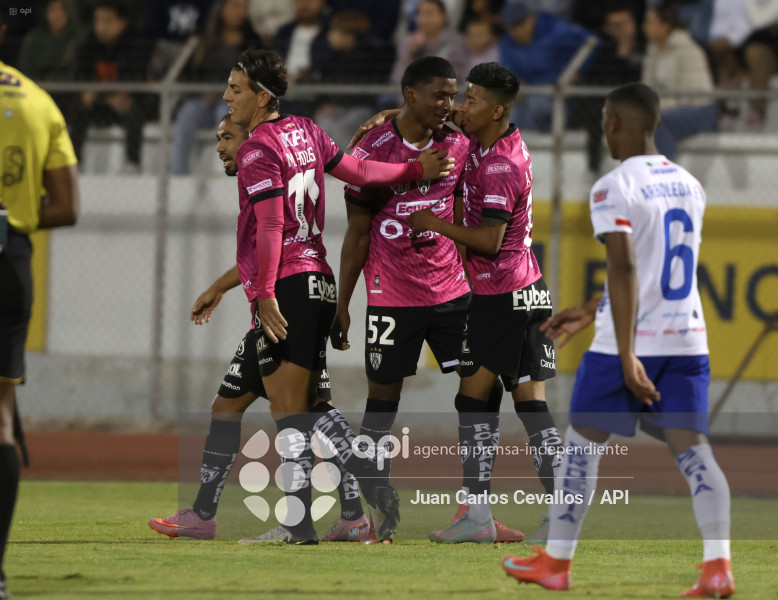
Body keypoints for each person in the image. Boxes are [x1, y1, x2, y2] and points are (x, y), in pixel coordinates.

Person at [501, 82, 734, 599]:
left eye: (605, 118)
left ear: (616, 123)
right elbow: (654, 269)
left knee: (581, 446)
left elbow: (626, 266)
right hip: (688, 338)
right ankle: (718, 566)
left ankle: (556, 564)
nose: (602, 127)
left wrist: (627, 353)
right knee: (695, 453)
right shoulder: (688, 184)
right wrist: (590, 307)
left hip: (627, 344)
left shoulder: (613, 186)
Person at [220, 48, 453, 544]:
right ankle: (314, 516)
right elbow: (364, 173)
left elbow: (270, 225)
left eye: (236, 89)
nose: (226, 96)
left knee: (289, 414)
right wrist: (414, 170)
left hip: (286, 283)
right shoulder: (306, 130)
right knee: (301, 409)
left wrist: (263, 294)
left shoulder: (258, 149)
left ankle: (319, 513)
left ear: (262, 98)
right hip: (319, 280)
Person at [148, 116, 369, 543]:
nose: (220, 146)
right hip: (299, 293)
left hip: (290, 298)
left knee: (303, 410)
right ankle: (204, 514)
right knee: (227, 407)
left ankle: (320, 518)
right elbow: (256, 256)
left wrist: (264, 295)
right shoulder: (271, 178)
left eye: (226, 137)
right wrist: (219, 288)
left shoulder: (265, 174)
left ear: (251, 142)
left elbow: (273, 243)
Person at [332, 56, 526, 545]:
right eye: (439, 95)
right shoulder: (371, 149)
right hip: (391, 296)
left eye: (454, 95)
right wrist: (343, 302)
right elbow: (357, 232)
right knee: (382, 405)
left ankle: (475, 511)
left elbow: (492, 137)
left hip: (451, 291)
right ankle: (369, 513)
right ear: (410, 94)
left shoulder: (458, 142)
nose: (450, 105)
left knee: (482, 394)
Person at [407, 62, 562, 544]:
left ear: (495, 109)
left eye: (471, 100)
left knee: (472, 399)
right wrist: (391, 114)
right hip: (529, 289)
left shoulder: (499, 165)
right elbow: (437, 116)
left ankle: (477, 514)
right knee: (531, 404)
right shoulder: (494, 140)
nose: (461, 106)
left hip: (502, 294)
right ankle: (563, 513)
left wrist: (435, 225)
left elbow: (491, 241)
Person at [0, 16, 80, 597]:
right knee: (1, 416)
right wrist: (19, 216)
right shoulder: (38, 101)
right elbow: (67, 205)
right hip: (10, 257)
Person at [170, 0, 262, 174]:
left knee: (227, 117)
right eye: (235, 6)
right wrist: (201, 91)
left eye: (244, 7)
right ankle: (177, 174)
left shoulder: (253, 42)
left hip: (236, 102)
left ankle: (226, 174)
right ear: (221, 8)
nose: (240, 12)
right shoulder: (202, 39)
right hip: (203, 100)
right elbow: (187, 74)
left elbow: (259, 79)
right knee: (187, 114)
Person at [69, 0, 150, 173]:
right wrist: (97, 95)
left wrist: (125, 95)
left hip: (125, 104)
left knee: (134, 112)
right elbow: (81, 75)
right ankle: (74, 162)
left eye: (107, 21)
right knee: (77, 106)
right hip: (98, 103)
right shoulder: (89, 42)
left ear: (122, 23)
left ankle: (132, 164)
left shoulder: (135, 43)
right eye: (97, 21)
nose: (101, 27)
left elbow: (137, 78)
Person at [642, 2, 717, 158]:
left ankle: (665, 174)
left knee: (659, 122)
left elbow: (691, 95)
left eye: (649, 22)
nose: (644, 27)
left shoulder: (688, 49)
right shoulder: (653, 49)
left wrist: (657, 108)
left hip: (700, 109)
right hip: (667, 106)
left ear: (665, 25)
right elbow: (646, 88)